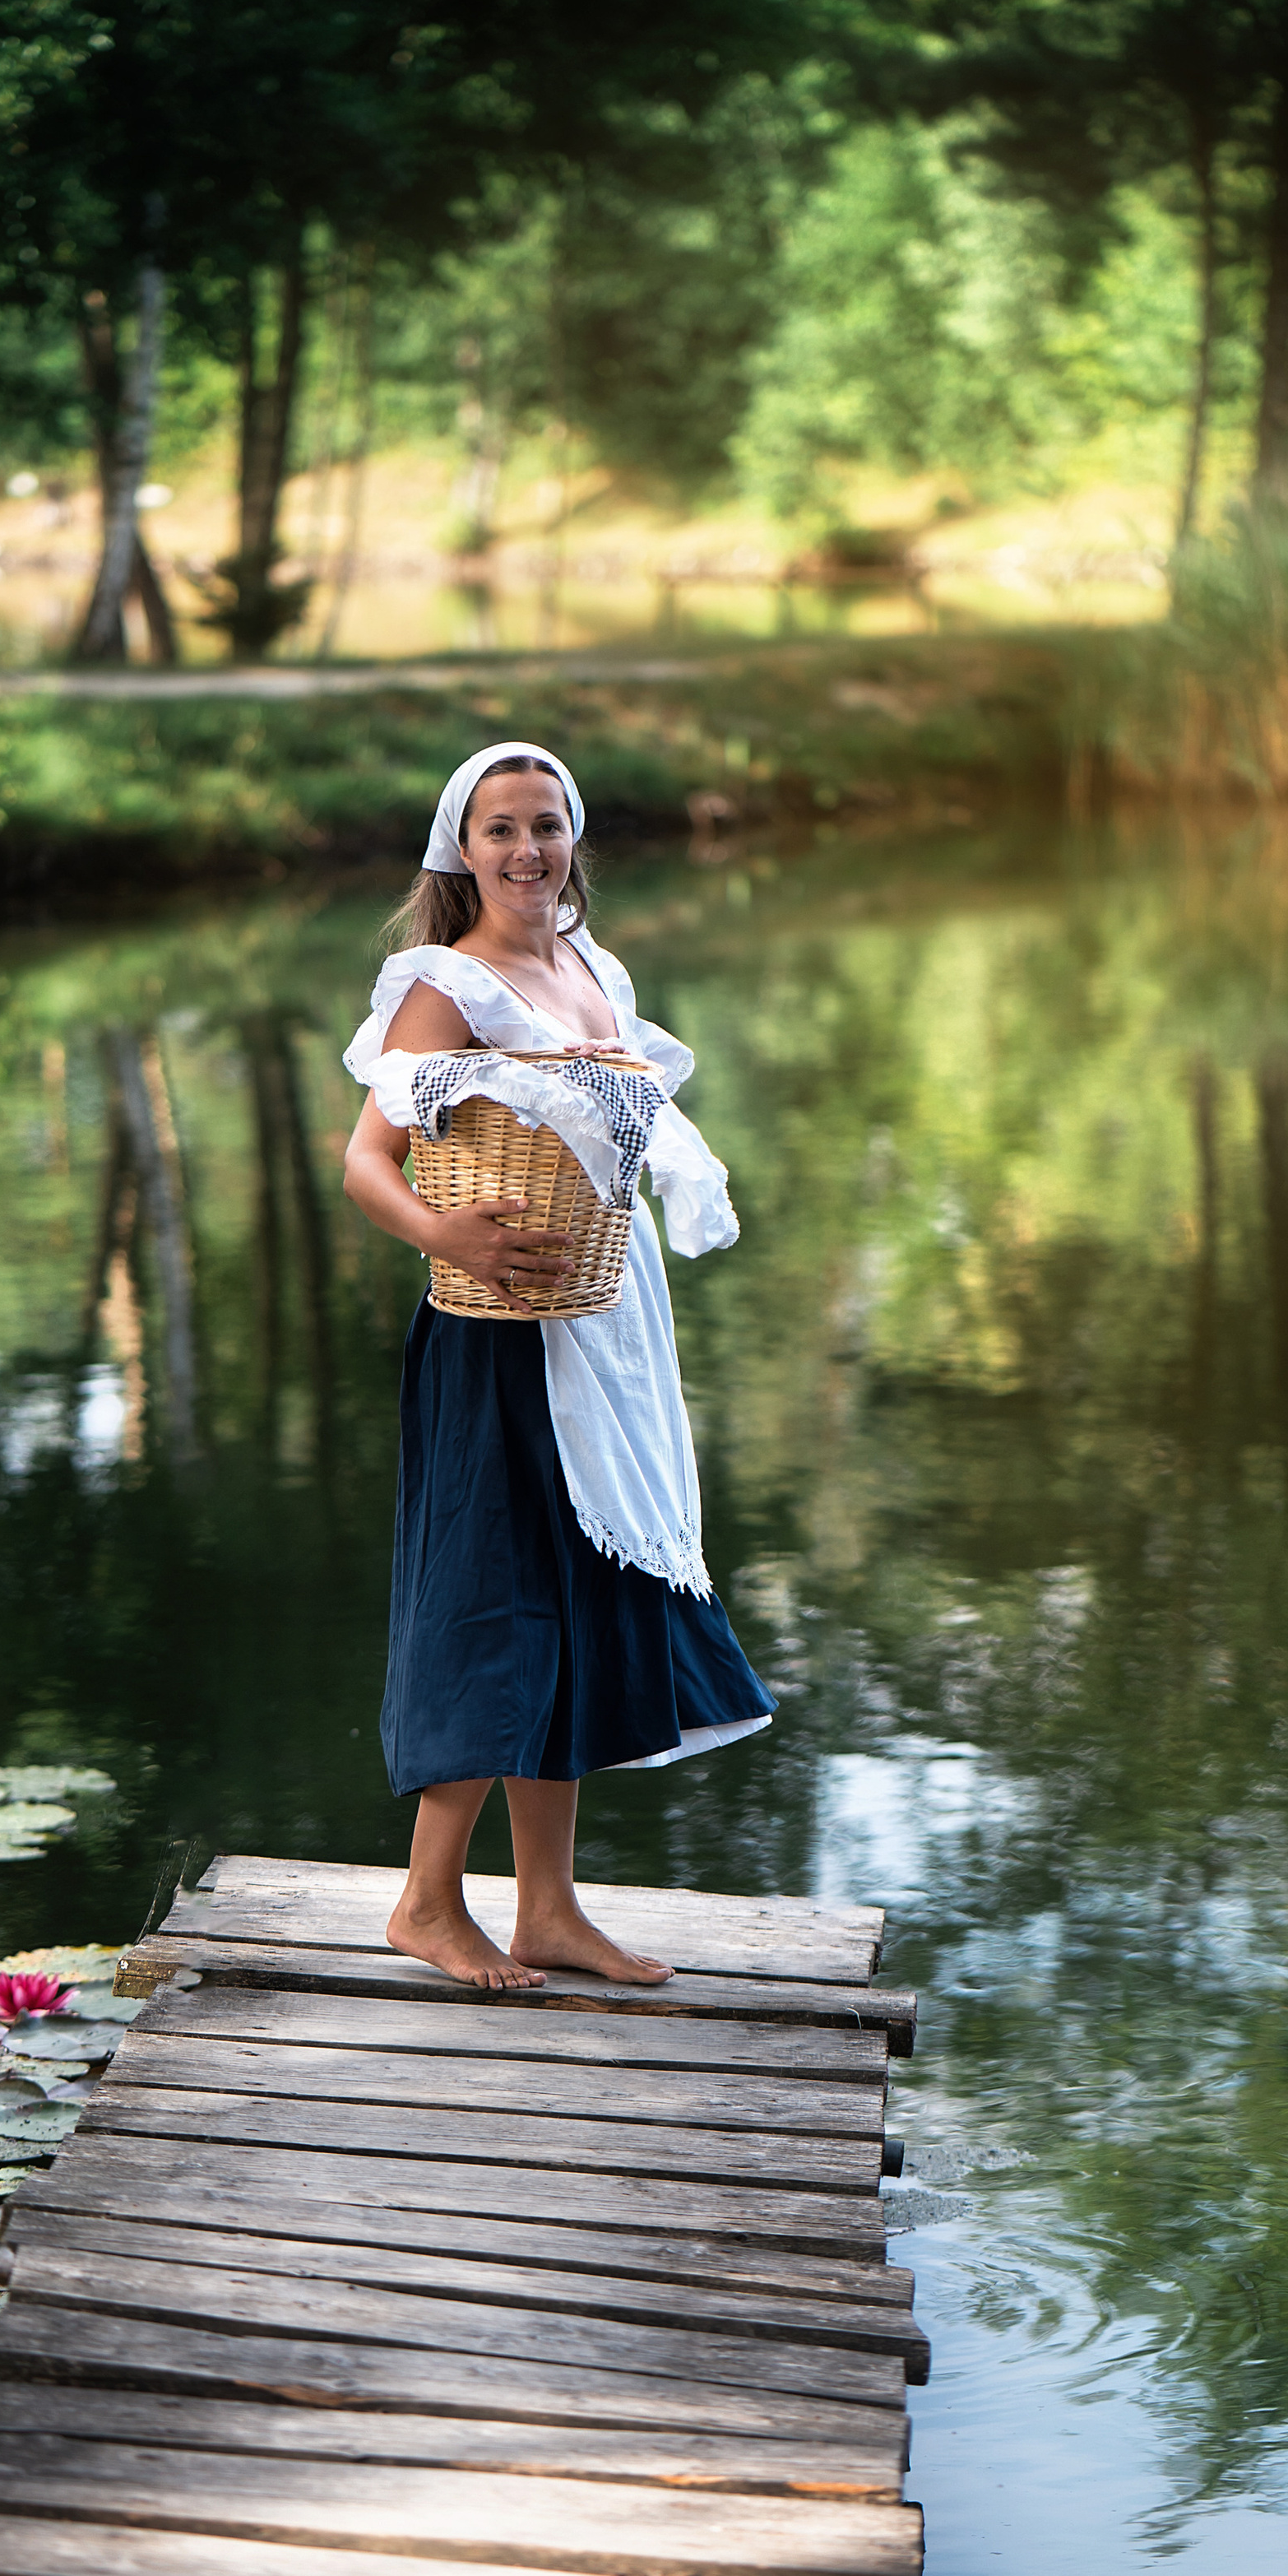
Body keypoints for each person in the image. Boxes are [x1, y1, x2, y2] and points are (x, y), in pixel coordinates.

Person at [342, 739, 774, 1992]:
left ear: (574, 838)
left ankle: (547, 1908)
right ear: (460, 851)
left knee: (580, 1597)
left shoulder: (593, 965)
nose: (527, 851)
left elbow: (624, 1125)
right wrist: (440, 1228)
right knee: (494, 1603)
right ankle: (426, 1901)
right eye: (500, 831)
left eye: (547, 826)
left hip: (600, 1312)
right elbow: (367, 1157)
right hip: (493, 1333)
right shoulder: (444, 985)